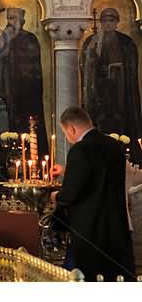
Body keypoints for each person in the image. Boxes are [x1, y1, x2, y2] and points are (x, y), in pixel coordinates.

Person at [51, 107, 135, 281]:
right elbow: (100, 178)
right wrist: (69, 172)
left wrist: (56, 197)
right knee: (115, 278)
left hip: (90, 230)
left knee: (88, 278)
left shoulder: (80, 150)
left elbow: (71, 193)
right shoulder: (114, 146)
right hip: (116, 227)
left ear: (71, 129)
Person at [81, 7, 142, 162]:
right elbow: (85, 67)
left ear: (117, 23)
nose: (108, 24)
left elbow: (132, 68)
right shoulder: (92, 42)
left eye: (111, 21)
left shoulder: (126, 43)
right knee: (100, 125)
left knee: (121, 123)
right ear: (101, 22)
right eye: (105, 21)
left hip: (120, 93)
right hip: (99, 94)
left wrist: (117, 70)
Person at [0, 7, 48, 158]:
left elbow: (33, 68)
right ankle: (2, 159)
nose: (11, 23)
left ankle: (29, 159)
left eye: (15, 19)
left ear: (23, 21)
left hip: (26, 93)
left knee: (24, 126)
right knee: (3, 125)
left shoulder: (30, 39)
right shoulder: (1, 38)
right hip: (5, 91)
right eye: (9, 19)